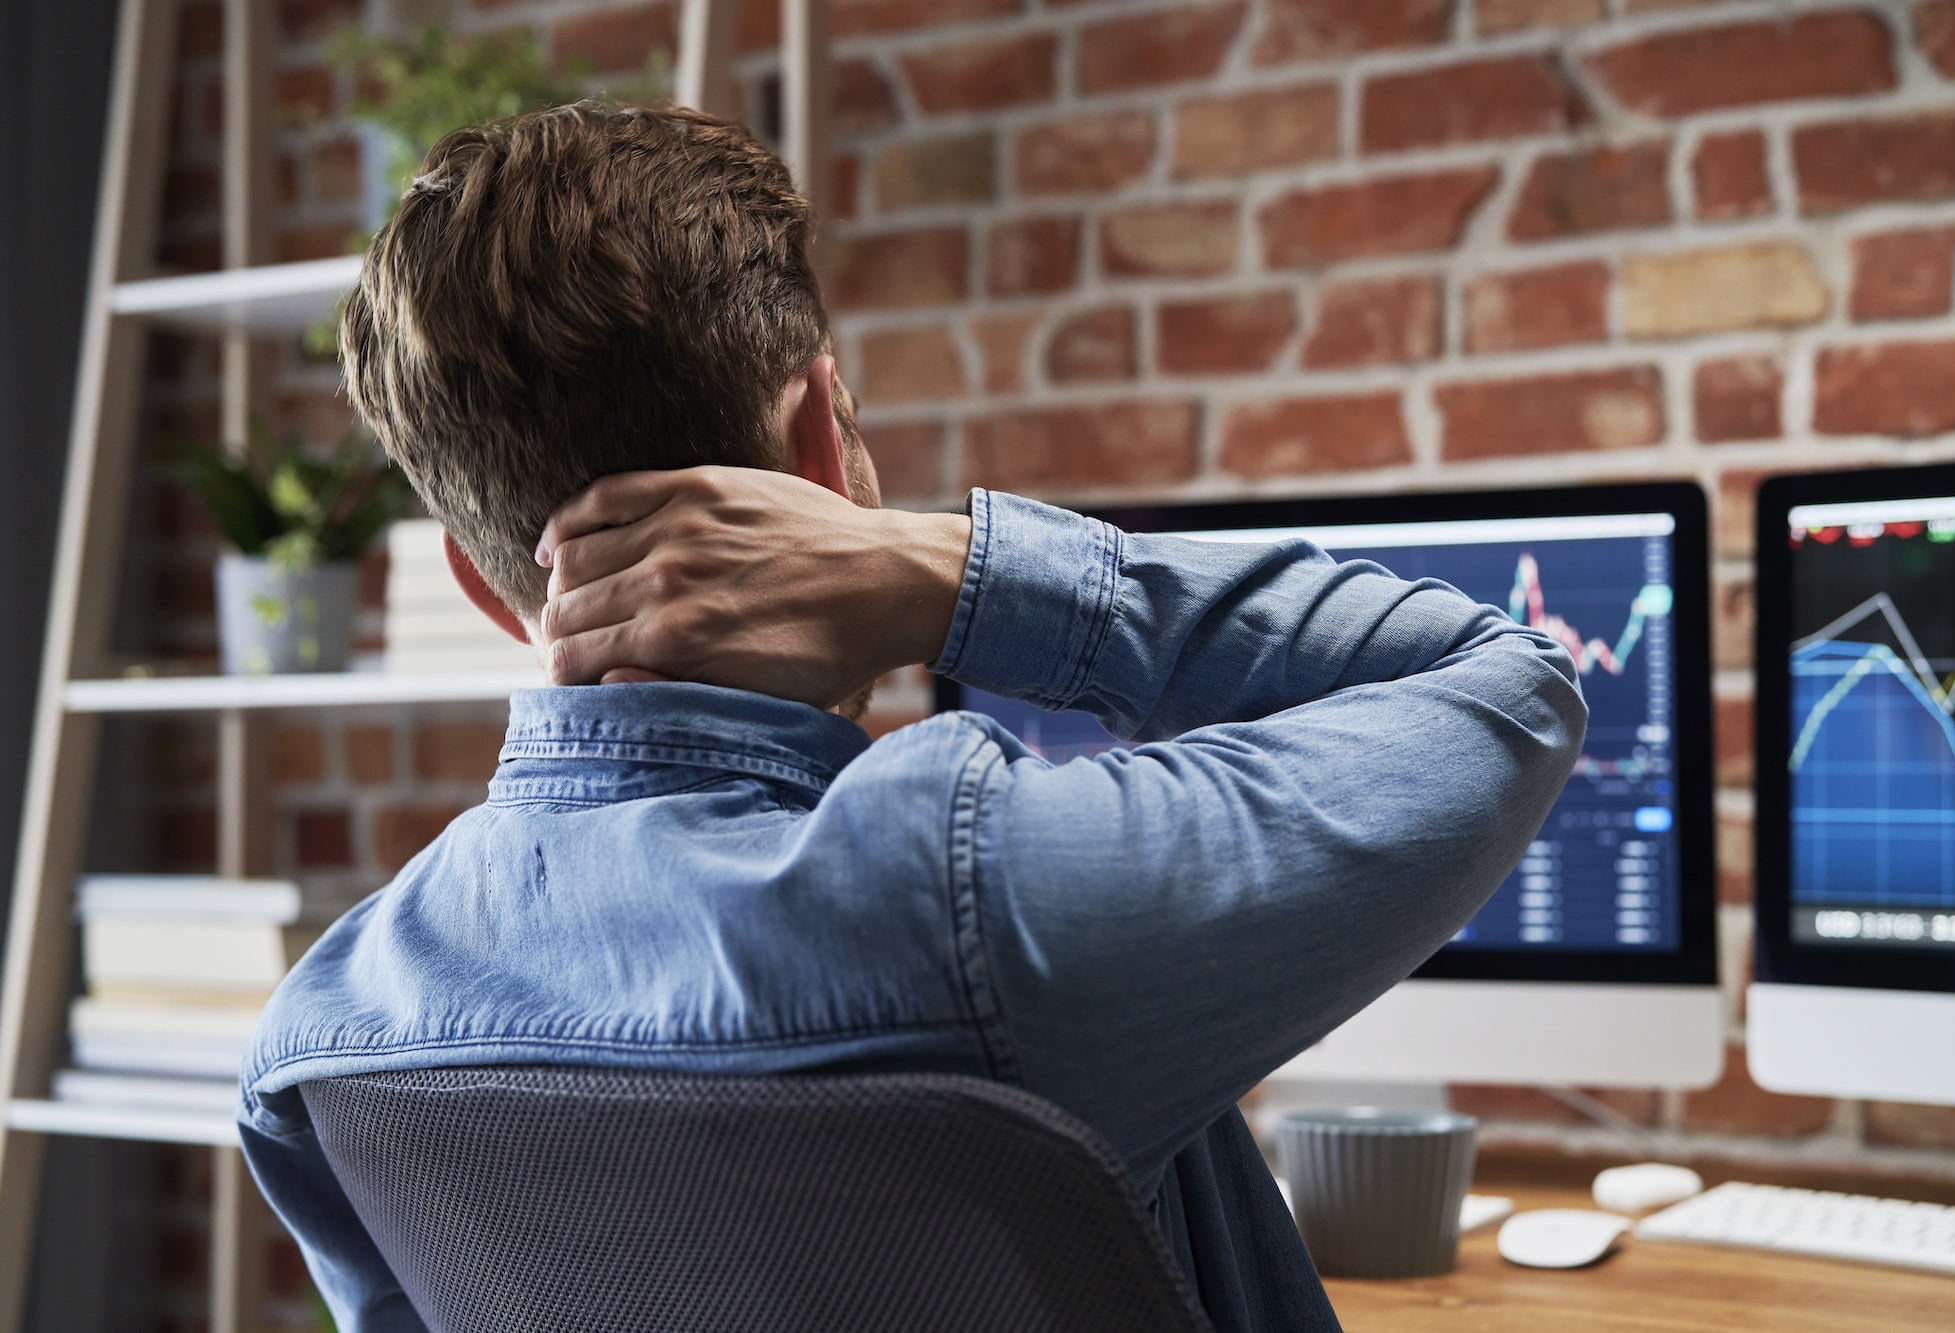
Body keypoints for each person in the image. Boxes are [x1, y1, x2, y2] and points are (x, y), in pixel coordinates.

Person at [239, 100, 1587, 1332]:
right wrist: (940, 569)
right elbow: (1508, 681)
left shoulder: (323, 1039)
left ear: (485, 587)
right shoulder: (965, 893)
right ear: (821, 441)